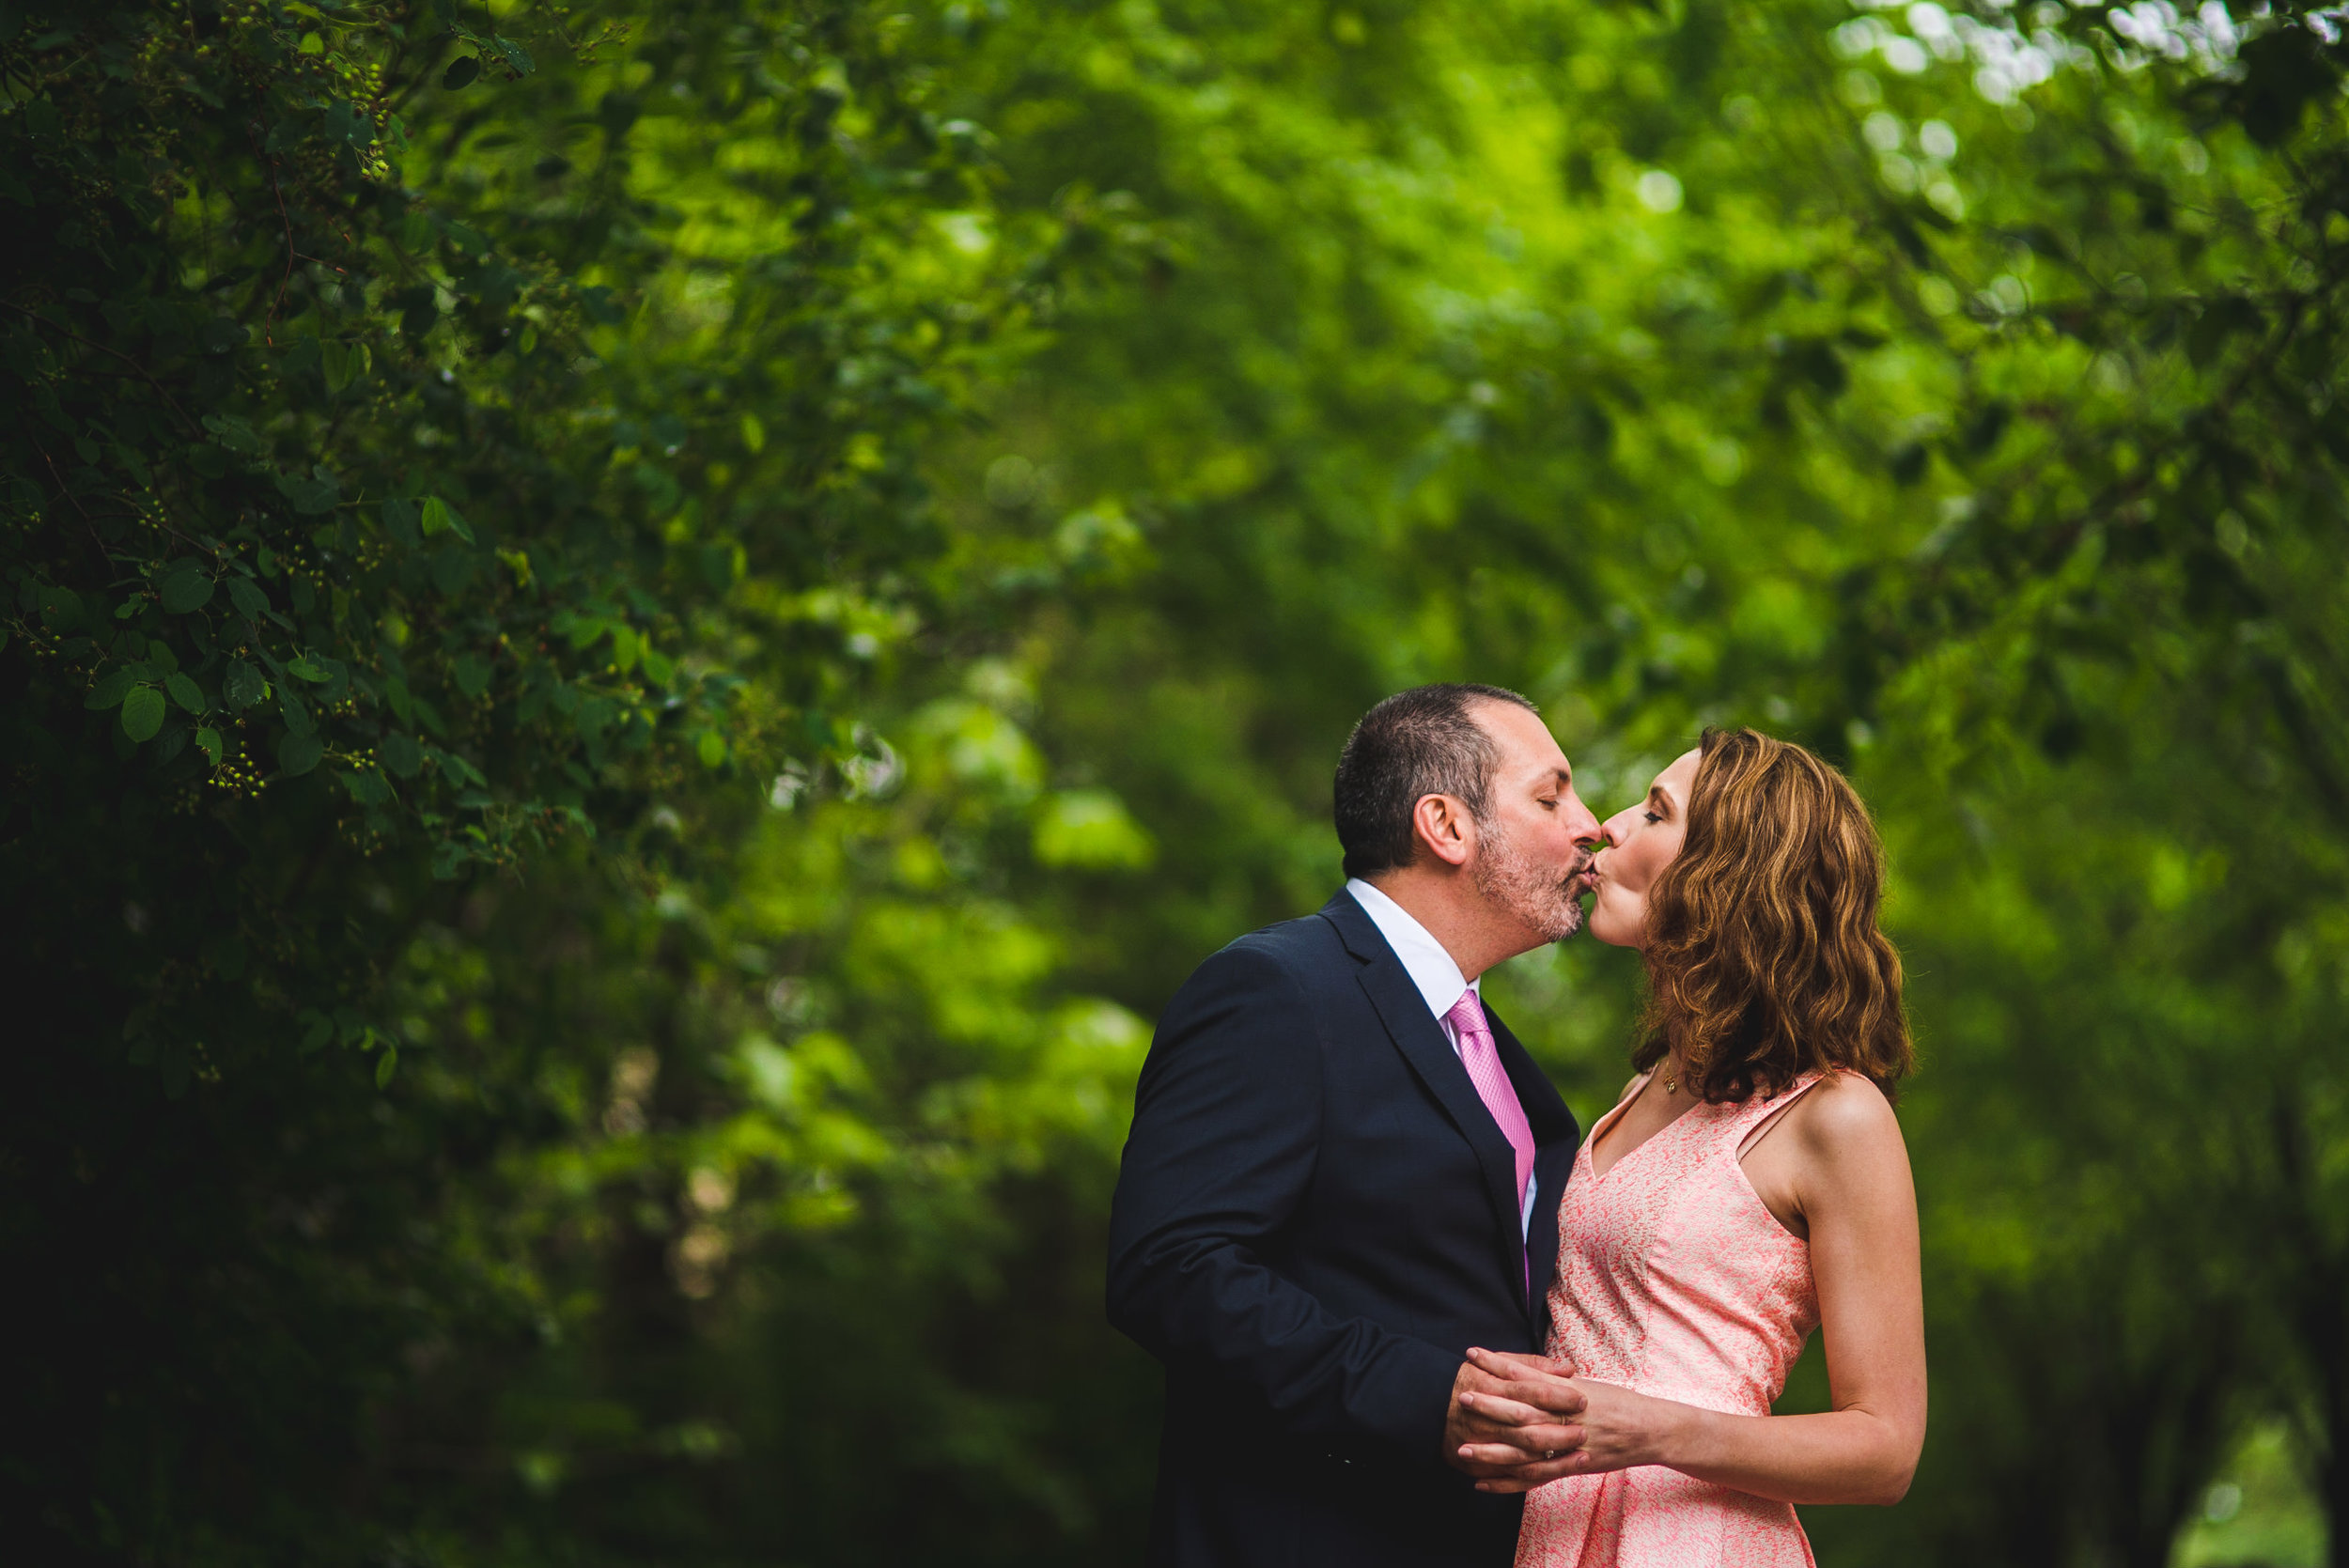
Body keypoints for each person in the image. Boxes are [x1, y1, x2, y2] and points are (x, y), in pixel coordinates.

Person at [1107, 684, 1607, 1567]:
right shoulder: (1276, 990)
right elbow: (1169, 1268)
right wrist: (1427, 1395)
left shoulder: (1502, 1059)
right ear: (1445, 826)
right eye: (1550, 795)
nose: (1590, 824)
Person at [1450, 728, 1927, 1568]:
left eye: (1656, 812)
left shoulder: (1837, 1116)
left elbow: (1885, 1448)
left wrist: (1649, 1426)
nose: (1609, 826)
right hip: (1550, 1534)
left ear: (1734, 871)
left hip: (1694, 1540)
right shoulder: (1651, 1084)